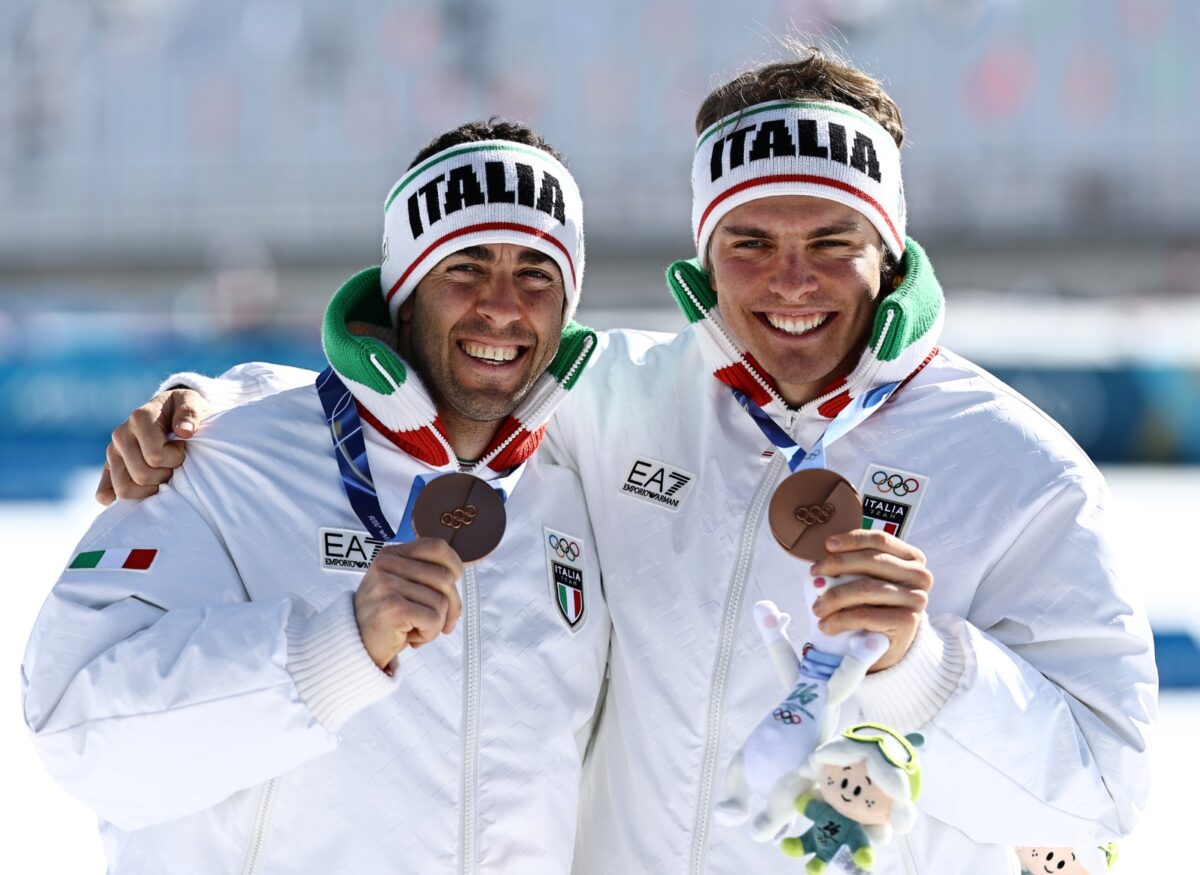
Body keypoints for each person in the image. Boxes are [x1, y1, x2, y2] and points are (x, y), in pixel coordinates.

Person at [91, 45, 1156, 874]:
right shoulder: (626, 400)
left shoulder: (1021, 469)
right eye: (750, 241)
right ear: (702, 251)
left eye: (830, 239)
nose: (792, 282)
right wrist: (215, 406)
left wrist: (927, 664)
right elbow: (428, 395)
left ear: (890, 249)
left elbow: (1101, 792)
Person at [22, 121, 611, 874]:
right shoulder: (226, 452)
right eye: (465, 265)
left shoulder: (579, 482)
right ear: (403, 293)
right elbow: (73, 723)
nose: (501, 306)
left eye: (536, 272)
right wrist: (330, 652)